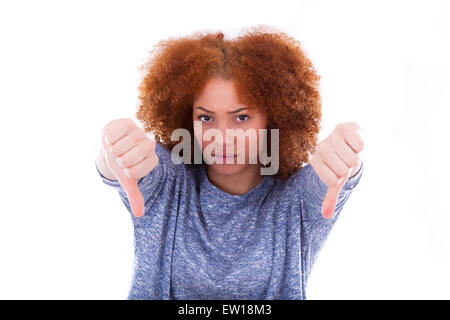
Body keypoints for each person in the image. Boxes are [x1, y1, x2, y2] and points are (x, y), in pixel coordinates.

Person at [95, 26, 364, 299]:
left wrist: (348, 158)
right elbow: (128, 165)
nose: (222, 139)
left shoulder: (294, 203)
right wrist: (111, 152)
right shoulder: (169, 183)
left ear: (273, 118)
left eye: (242, 118)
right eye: (206, 118)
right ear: (187, 119)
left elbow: (329, 178)